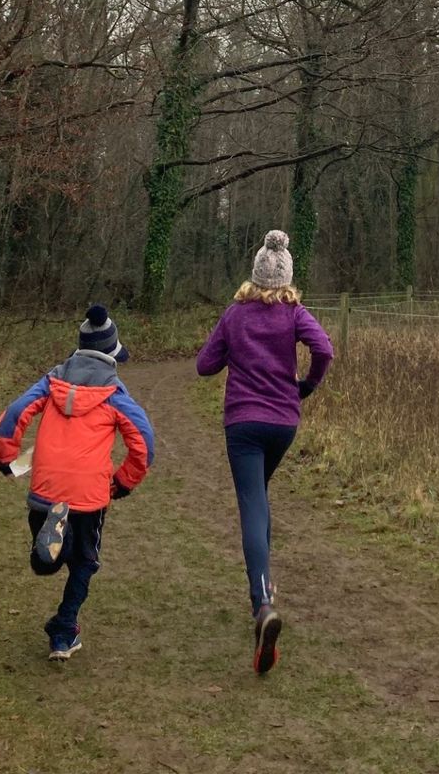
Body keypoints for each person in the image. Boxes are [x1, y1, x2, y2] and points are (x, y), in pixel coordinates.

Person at [195, 230, 334, 674]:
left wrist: (232, 352)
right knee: (261, 499)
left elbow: (203, 366)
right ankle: (265, 589)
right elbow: (324, 349)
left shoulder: (235, 315)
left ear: (254, 275)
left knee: (253, 506)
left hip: (243, 425)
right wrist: (305, 387)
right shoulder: (295, 313)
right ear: (287, 277)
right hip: (283, 423)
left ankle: (262, 606)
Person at [0, 304, 154, 660]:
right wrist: (124, 481)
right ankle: (65, 630)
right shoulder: (114, 394)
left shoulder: (51, 381)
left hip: (45, 490)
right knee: (85, 562)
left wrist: (7, 457)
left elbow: (16, 412)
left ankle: (50, 548)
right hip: (88, 496)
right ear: (112, 355)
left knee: (44, 563)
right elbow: (144, 442)